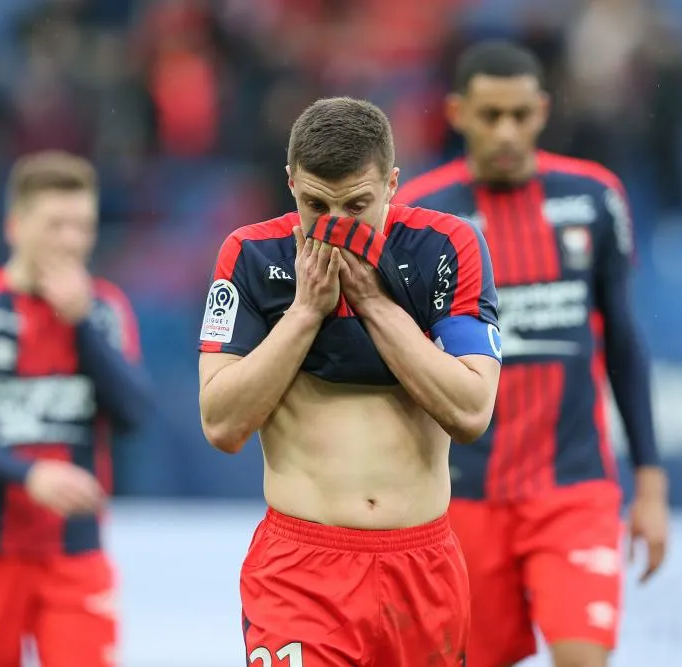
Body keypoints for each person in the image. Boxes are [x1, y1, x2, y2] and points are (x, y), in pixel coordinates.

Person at [198, 97, 502, 666]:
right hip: (301, 570)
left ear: (391, 184)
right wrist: (305, 313)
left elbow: (470, 411)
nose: (335, 226)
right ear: (289, 183)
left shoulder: (446, 247)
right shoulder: (252, 256)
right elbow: (221, 422)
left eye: (357, 205)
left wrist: (373, 304)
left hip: (423, 568)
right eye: (316, 204)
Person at [395, 41, 670, 667]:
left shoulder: (595, 198)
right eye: (490, 116)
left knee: (583, 656)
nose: (507, 132)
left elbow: (624, 340)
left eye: (521, 114)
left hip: (573, 489)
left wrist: (650, 482)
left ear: (543, 110)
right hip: (463, 496)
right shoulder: (424, 215)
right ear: (457, 113)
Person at [0, 151, 151, 667]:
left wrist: (81, 325)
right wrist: (30, 475)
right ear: (15, 225)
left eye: (83, 225)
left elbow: (135, 414)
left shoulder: (106, 311)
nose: (72, 240)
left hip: (75, 553)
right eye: (56, 224)